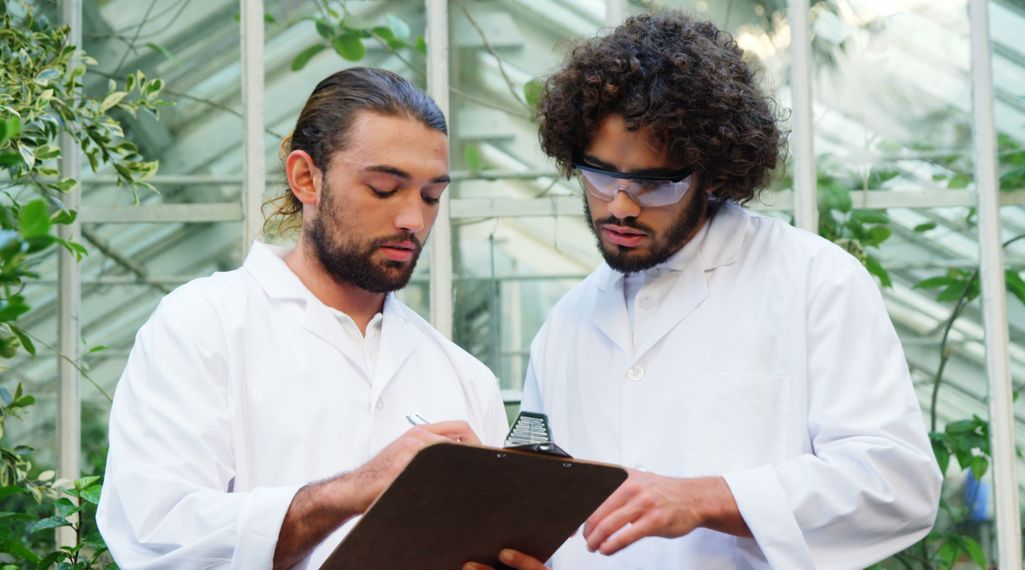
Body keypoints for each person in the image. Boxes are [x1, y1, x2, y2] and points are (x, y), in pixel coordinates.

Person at [469, 12, 942, 570]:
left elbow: (896, 483)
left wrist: (704, 498)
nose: (620, 205)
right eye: (599, 175)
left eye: (654, 183)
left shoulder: (814, 280)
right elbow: (551, 516)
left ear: (713, 173)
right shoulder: (566, 326)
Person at [97, 67, 509, 569]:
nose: (413, 220)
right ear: (305, 178)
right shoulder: (203, 325)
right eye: (384, 188)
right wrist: (349, 492)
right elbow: (156, 538)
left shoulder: (466, 380)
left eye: (431, 196)